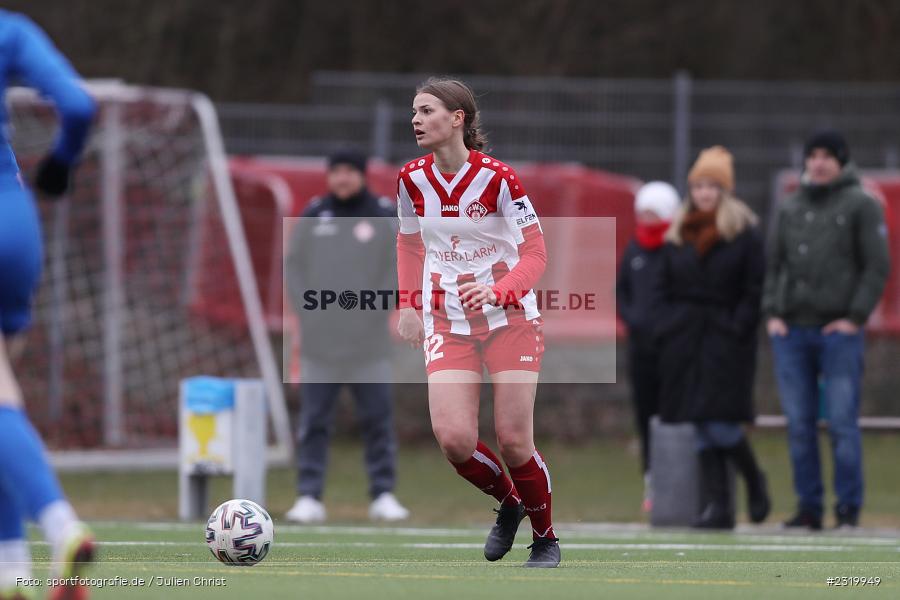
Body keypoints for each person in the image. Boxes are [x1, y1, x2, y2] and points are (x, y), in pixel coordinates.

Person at [396, 77, 558, 568]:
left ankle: (545, 538)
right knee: (455, 440)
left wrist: (501, 290)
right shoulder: (410, 178)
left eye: (426, 111)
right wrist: (408, 303)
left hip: (510, 319)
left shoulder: (499, 178)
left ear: (457, 118)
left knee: (513, 439)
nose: (416, 120)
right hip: (447, 321)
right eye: (414, 112)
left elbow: (536, 252)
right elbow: (408, 243)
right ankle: (510, 503)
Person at [0, 9, 97, 600]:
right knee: (3, 394)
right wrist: (60, 164)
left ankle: (60, 523)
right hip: (14, 221)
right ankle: (12, 570)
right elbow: (81, 107)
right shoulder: (9, 28)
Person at [763, 130, 890, 530]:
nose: (818, 163)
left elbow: (877, 266)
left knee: (840, 422)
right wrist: (773, 313)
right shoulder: (790, 206)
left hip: (839, 334)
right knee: (799, 426)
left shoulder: (861, 204)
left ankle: (849, 509)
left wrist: (854, 317)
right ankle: (809, 508)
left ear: (841, 161)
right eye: (812, 155)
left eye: (826, 156)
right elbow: (773, 266)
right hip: (792, 333)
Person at [285, 149, 410, 524]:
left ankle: (383, 494)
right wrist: (309, 313)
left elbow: (397, 268)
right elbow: (294, 268)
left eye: (348, 171)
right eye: (335, 171)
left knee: (377, 419)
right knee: (314, 421)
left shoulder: (384, 215)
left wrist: (374, 313)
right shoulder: (313, 214)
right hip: (320, 343)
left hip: (368, 343)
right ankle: (309, 496)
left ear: (361, 175)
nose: (341, 178)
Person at [654, 146, 770, 529]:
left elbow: (754, 290)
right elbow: (665, 285)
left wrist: (738, 327)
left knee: (719, 422)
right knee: (699, 420)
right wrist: (670, 326)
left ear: (724, 190)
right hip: (686, 338)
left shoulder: (745, 234)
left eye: (712, 185)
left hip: (725, 339)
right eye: (698, 185)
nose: (704, 192)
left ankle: (754, 481)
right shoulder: (678, 232)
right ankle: (719, 508)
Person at [615, 181, 680, 513]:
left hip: (672, 349)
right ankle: (652, 483)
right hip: (641, 350)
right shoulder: (634, 250)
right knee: (646, 416)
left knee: (672, 416)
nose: (647, 219)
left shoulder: (679, 249)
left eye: (653, 213)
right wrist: (633, 321)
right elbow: (623, 292)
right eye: (643, 213)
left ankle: (678, 483)